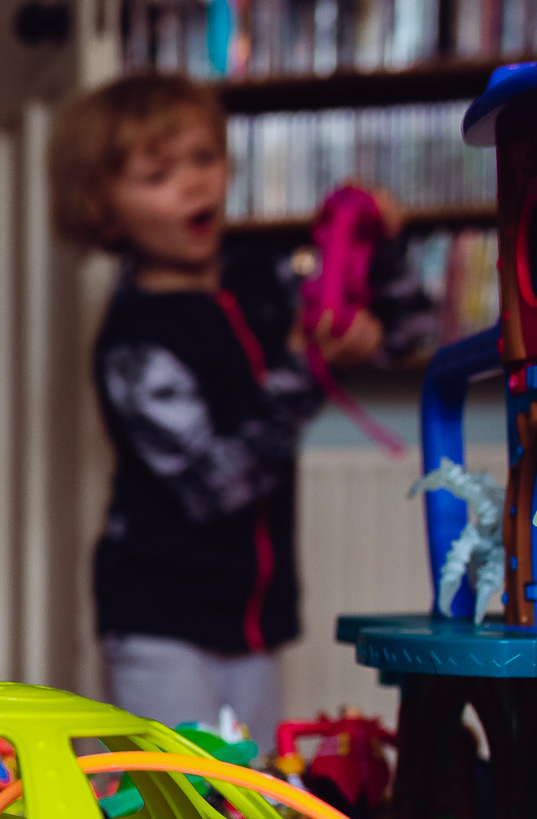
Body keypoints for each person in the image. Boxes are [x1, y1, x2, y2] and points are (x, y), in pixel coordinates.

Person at [49, 73, 429, 753]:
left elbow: (406, 334)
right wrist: (308, 366)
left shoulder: (266, 279)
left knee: (254, 804)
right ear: (106, 213)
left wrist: (380, 248)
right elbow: (218, 486)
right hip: (160, 621)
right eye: (159, 174)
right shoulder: (135, 341)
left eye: (204, 158)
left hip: (255, 619)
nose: (195, 184)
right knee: (181, 807)